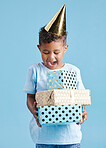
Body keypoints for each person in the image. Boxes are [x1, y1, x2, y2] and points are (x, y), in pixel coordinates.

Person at [23, 4, 87, 148]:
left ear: (65, 48)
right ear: (39, 48)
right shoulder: (34, 70)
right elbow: (30, 98)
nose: (51, 57)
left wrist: (82, 111)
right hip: (44, 136)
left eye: (56, 52)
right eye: (46, 52)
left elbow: (80, 97)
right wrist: (35, 112)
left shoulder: (74, 71)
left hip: (70, 137)